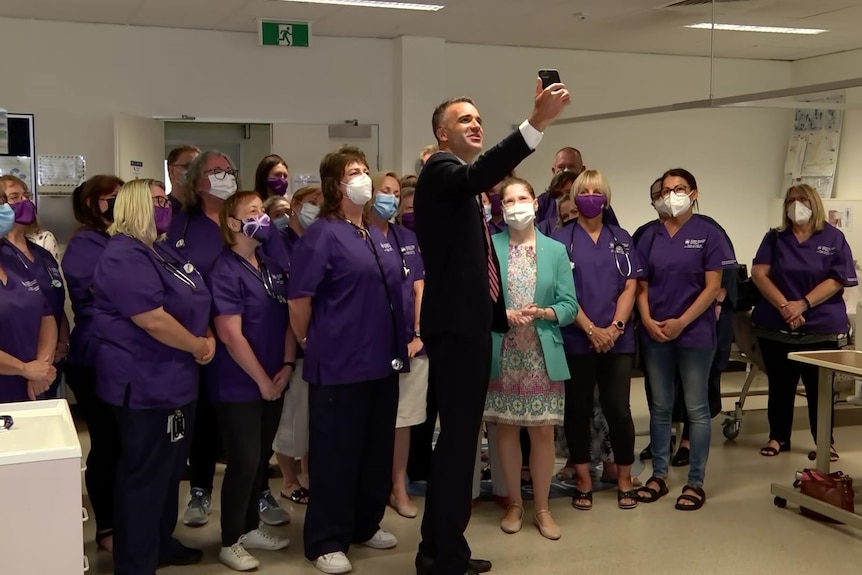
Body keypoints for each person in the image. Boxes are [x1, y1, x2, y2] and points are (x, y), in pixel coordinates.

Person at [413, 78, 570, 575]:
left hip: (471, 325)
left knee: (461, 444)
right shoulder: (442, 169)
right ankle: (440, 556)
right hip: (458, 329)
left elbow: (471, 254)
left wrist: (497, 316)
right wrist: (537, 123)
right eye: (465, 119)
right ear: (442, 134)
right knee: (458, 445)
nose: (475, 124)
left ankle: (444, 550)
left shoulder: (458, 183)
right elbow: (482, 174)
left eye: (479, 118)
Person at [288, 145, 407, 575]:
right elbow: (299, 299)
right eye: (352, 172)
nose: (362, 178)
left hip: (382, 363)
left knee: (375, 450)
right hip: (339, 365)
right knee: (336, 454)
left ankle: (364, 522)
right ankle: (325, 539)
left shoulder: (375, 231)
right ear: (335, 184)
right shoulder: (323, 234)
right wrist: (309, 340)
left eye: (364, 170)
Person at [93, 179, 215, 573]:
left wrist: (206, 335)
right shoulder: (123, 255)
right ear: (132, 207)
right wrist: (198, 345)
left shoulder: (159, 251)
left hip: (176, 381)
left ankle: (161, 541)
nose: (165, 206)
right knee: (143, 476)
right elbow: (153, 320)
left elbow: (196, 296)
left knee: (167, 474)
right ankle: (136, 560)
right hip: (144, 385)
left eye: (165, 199)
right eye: (157, 201)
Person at [169, 150, 290, 528]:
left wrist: (285, 363)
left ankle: (254, 506)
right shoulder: (185, 226)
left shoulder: (265, 250)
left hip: (265, 353)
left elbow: (283, 297)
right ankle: (206, 495)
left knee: (254, 446)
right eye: (216, 171)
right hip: (210, 347)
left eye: (229, 170)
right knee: (218, 432)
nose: (226, 176)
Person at [634, 168, 736, 511]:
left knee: (696, 407)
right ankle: (659, 475)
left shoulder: (708, 233)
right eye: (665, 190)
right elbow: (641, 285)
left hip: (694, 333)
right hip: (655, 332)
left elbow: (713, 288)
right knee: (660, 407)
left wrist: (682, 322)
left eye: (679, 189)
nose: (671, 195)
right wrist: (647, 319)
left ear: (693, 193)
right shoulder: (649, 235)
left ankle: (695, 482)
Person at [485, 177, 577, 540]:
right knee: (505, 431)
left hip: (542, 354)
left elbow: (570, 305)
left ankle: (541, 507)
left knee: (542, 432)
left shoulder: (555, 251)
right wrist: (500, 315)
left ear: (536, 204)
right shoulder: (489, 248)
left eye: (523, 198)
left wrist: (546, 313)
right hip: (503, 352)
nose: (517, 205)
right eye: (509, 200)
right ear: (501, 208)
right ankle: (514, 504)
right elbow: (480, 302)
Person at [207, 191, 293, 570]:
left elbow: (288, 317)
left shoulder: (271, 265)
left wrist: (287, 365)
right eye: (253, 212)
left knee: (261, 457)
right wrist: (262, 380)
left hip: (276, 376)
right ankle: (229, 540)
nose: (263, 217)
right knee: (243, 459)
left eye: (263, 210)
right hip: (239, 382)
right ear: (232, 222)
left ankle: (250, 527)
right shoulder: (223, 270)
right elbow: (230, 334)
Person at [552, 170, 642, 511]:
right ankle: (584, 480)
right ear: (574, 198)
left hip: (617, 341)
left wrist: (615, 327)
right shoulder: (561, 241)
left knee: (618, 409)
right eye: (584, 191)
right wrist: (591, 329)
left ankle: (622, 477)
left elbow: (630, 285)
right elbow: (562, 292)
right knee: (575, 410)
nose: (590, 196)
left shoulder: (622, 238)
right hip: (577, 338)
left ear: (606, 197)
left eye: (596, 191)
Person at [752, 184, 856, 461]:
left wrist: (803, 304)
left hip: (820, 324)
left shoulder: (833, 238)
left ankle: (825, 442)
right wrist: (786, 306)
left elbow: (837, 279)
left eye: (802, 199)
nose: (795, 204)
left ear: (814, 204)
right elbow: (760, 273)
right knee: (780, 385)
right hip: (776, 321)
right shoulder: (774, 238)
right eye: (790, 200)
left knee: (819, 388)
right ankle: (778, 437)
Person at [62, 175, 123, 551]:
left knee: (127, 445)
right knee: (108, 443)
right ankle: (107, 527)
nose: (118, 203)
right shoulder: (86, 243)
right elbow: (103, 291)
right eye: (111, 198)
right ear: (91, 203)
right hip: (95, 355)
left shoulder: (126, 240)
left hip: (126, 355)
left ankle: (129, 519)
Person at [365, 172, 428, 519]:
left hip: (412, 345)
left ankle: (398, 485)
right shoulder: (361, 236)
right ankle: (371, 486)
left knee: (403, 421)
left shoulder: (407, 238)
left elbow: (419, 287)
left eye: (393, 192)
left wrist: (418, 334)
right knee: (373, 420)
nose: (389, 197)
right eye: (383, 191)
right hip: (372, 347)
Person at [268, 184, 323, 504]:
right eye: (312, 204)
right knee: (291, 418)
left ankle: (308, 473)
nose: (315, 210)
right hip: (290, 339)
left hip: (317, 339)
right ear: (297, 205)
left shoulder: (315, 241)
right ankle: (289, 479)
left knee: (310, 419)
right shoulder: (278, 242)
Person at [1, 176, 70, 399]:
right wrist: (25, 369)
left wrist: (41, 365)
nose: (24, 202)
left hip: (40, 369)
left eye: (26, 196)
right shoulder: (9, 254)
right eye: (14, 198)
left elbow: (48, 311)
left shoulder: (29, 256)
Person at [536, 148, 585, 224]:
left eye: (571, 167)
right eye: (561, 168)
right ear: (554, 171)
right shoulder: (542, 203)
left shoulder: (594, 201)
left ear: (582, 170)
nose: (565, 171)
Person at [166, 145, 201, 209]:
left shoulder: (208, 210)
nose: (195, 172)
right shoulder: (161, 210)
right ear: (171, 171)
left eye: (198, 168)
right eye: (188, 166)